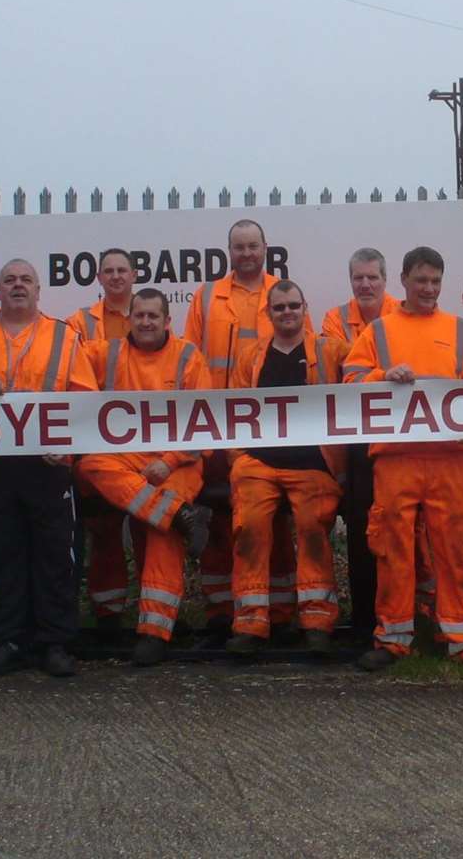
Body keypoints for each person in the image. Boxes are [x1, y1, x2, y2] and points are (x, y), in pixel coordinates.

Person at [343, 246, 463, 671]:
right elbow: (350, 379)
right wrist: (381, 377)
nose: (429, 289)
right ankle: (392, 639)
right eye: (421, 280)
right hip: (395, 458)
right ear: (404, 280)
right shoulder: (379, 331)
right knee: (393, 550)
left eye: (435, 281)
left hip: (448, 459)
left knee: (456, 548)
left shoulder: (461, 331)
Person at [0, 259, 97, 678]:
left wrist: (65, 448)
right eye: (9, 281)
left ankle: (55, 643)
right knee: (2, 553)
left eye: (25, 280)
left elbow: (84, 398)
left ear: (38, 290)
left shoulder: (64, 337)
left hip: (48, 466)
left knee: (55, 556)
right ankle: (8, 640)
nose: (17, 286)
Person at [78, 288, 214, 666]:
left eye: (154, 316)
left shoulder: (189, 356)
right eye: (139, 316)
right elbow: (63, 373)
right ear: (129, 319)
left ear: (168, 321)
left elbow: (204, 424)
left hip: (179, 462)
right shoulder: (105, 354)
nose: (146, 322)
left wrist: (168, 463)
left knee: (160, 530)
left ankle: (154, 632)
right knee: (90, 464)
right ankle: (181, 517)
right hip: (125, 457)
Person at [185, 219, 294, 642]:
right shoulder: (207, 296)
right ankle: (220, 606)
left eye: (253, 246)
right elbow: (189, 359)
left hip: (269, 427)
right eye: (239, 247)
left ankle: (281, 608)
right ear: (228, 251)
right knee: (216, 517)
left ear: (266, 248)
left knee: (275, 516)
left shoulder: (282, 295)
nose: (247, 253)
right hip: (214, 424)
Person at [227, 280, 347, 655]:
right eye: (279, 308)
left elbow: (363, 378)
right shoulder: (251, 355)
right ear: (269, 313)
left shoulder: (331, 350)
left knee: (313, 531)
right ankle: (250, 625)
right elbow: (231, 409)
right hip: (259, 463)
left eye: (293, 305)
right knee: (249, 528)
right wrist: (237, 458)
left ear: (305, 306)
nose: (287, 313)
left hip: (313, 465)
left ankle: (317, 623)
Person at [320, 246, 395, 642]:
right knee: (361, 529)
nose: (365, 284)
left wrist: (370, 371)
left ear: (385, 280)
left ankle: (401, 614)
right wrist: (385, 371)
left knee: (399, 530)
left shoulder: (402, 313)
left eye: (373, 278)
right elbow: (344, 364)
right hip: (356, 440)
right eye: (358, 278)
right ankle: (365, 617)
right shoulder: (334, 319)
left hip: (399, 438)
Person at [68, 248, 140, 632]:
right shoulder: (79, 322)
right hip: (97, 441)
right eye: (108, 271)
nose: (115, 277)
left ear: (134, 274)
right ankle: (108, 615)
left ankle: (152, 613)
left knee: (148, 530)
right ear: (97, 277)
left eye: (122, 270)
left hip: (143, 440)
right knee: (104, 531)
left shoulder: (148, 313)